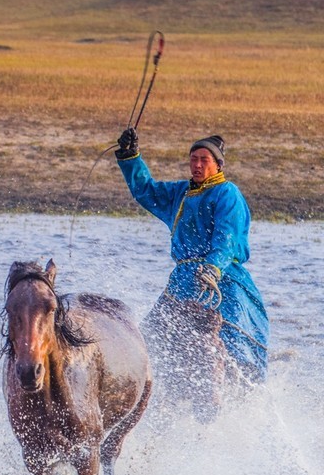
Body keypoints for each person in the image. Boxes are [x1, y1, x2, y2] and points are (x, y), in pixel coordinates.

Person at [114, 128, 268, 382]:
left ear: (218, 165)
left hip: (221, 280)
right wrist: (131, 158)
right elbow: (146, 191)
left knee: (229, 341)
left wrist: (212, 268)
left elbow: (226, 239)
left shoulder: (227, 193)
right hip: (182, 280)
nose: (197, 165)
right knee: (150, 338)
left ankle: (234, 385)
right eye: (193, 159)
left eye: (204, 160)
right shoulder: (180, 193)